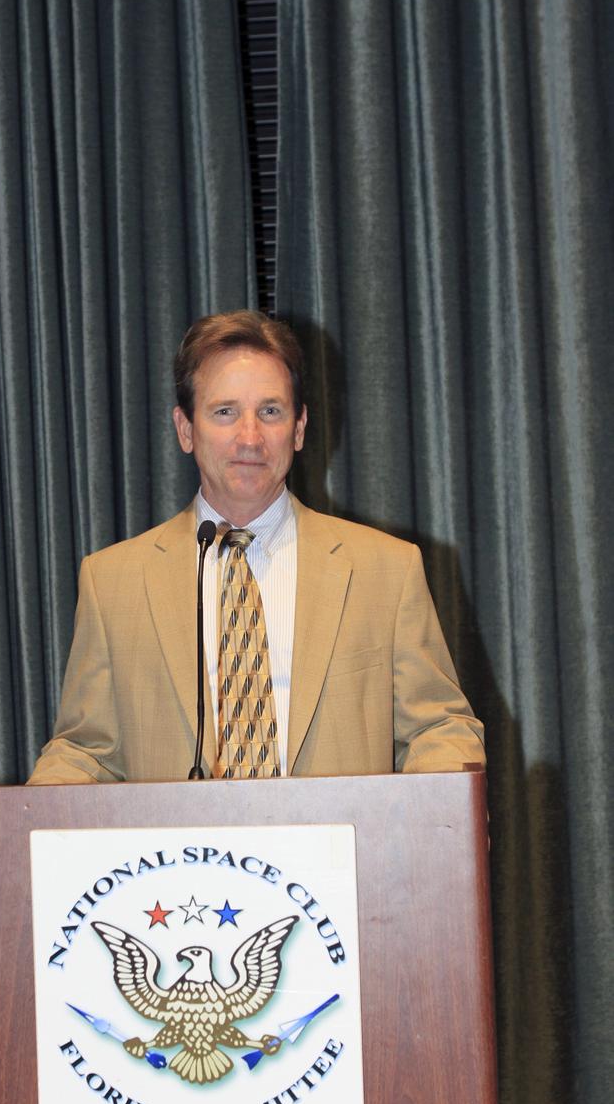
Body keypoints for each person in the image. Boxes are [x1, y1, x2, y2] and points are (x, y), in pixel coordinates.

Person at [28, 310, 484, 784]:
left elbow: (439, 728)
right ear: (186, 429)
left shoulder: (386, 569)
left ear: (300, 428)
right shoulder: (113, 581)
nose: (250, 437)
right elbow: (86, 753)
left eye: (270, 411)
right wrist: (21, 831)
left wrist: (437, 817)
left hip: (341, 855)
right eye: (225, 412)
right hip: (182, 858)